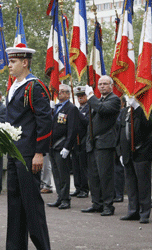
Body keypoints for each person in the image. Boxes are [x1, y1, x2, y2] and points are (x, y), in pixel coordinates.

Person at [0, 44, 53, 250]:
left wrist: (39, 152)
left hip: (29, 153)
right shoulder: (15, 86)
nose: (9, 66)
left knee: (31, 203)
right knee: (15, 201)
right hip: (14, 151)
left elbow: (45, 121)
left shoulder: (35, 87)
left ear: (25, 63)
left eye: (13, 62)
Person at [81, 76, 121, 217]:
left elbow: (103, 110)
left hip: (105, 143)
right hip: (93, 143)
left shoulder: (114, 100)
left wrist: (91, 96)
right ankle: (97, 203)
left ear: (111, 86)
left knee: (105, 176)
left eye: (105, 84)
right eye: (100, 84)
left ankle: (108, 206)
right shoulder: (100, 100)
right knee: (93, 176)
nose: (102, 86)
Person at [118, 97, 152, 224]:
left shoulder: (150, 107)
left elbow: (149, 124)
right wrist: (120, 151)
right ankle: (133, 211)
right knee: (130, 183)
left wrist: (138, 108)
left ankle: (144, 213)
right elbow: (119, 131)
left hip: (141, 151)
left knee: (143, 184)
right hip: (127, 153)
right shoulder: (125, 111)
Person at [46, 84, 79, 210]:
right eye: (58, 92)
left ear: (67, 94)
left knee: (63, 174)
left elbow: (72, 129)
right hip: (52, 145)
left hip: (62, 145)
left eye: (61, 92)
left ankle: (65, 199)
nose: (59, 94)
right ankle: (59, 197)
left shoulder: (71, 108)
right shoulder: (56, 108)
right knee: (56, 173)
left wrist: (67, 147)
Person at [71, 87, 90, 198]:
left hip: (83, 139)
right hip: (75, 141)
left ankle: (84, 188)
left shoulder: (88, 108)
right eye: (78, 96)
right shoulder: (77, 109)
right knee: (75, 166)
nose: (80, 98)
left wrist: (78, 114)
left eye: (82, 95)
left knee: (83, 167)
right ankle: (77, 187)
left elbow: (87, 122)